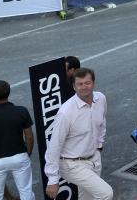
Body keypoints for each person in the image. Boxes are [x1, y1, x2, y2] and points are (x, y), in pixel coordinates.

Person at [43, 68, 112, 200]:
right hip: (71, 164)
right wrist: (52, 179)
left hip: (94, 158)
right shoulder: (66, 113)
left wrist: (99, 144)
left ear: (94, 83)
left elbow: (102, 123)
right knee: (106, 193)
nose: (84, 87)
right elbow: (54, 146)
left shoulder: (101, 98)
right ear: (74, 87)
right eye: (80, 84)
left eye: (87, 83)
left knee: (87, 197)